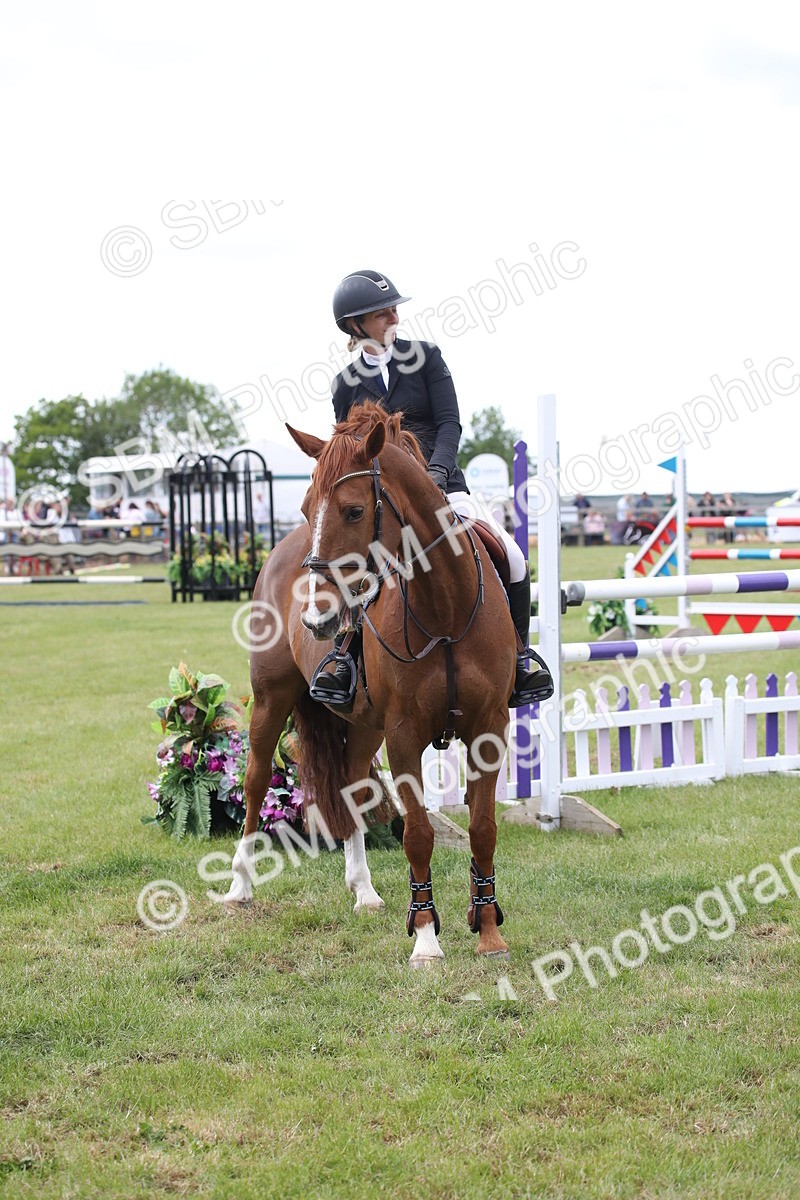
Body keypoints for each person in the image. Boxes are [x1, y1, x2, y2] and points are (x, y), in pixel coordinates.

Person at [308, 268, 553, 711]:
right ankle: (346, 660)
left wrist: (437, 471)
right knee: (358, 569)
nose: (393, 315)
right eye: (381, 312)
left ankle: (519, 657)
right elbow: (347, 446)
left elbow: (449, 422)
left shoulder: (426, 356)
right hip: (382, 502)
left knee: (513, 558)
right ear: (355, 325)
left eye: (393, 307)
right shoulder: (344, 383)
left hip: (442, 486)